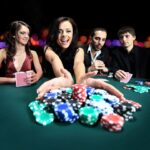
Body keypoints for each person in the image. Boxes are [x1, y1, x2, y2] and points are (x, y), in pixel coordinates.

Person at [37, 16, 125, 100]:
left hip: (68, 89)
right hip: (49, 86)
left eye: (68, 31)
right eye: (59, 31)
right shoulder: (48, 48)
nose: (64, 35)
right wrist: (64, 78)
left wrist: (82, 80)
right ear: (54, 33)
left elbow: (78, 64)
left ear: (73, 33)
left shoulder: (79, 50)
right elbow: (54, 59)